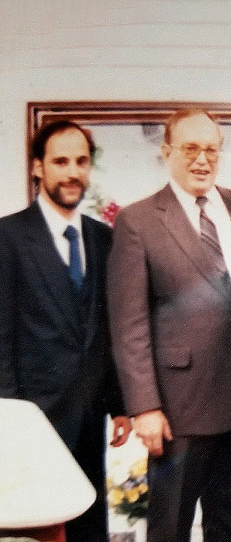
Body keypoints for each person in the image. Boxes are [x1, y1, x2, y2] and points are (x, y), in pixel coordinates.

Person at [107, 108, 231, 542]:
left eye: (211, 149)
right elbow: (129, 324)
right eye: (190, 148)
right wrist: (144, 406)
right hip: (177, 408)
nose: (202, 159)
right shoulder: (138, 221)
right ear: (167, 152)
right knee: (170, 526)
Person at [0, 120, 131, 541]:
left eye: (81, 161)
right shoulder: (7, 237)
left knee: (90, 527)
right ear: (38, 168)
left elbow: (106, 329)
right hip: (31, 418)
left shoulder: (102, 238)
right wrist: (11, 417)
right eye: (60, 161)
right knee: (38, 530)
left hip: (90, 415)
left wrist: (121, 404)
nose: (72, 172)